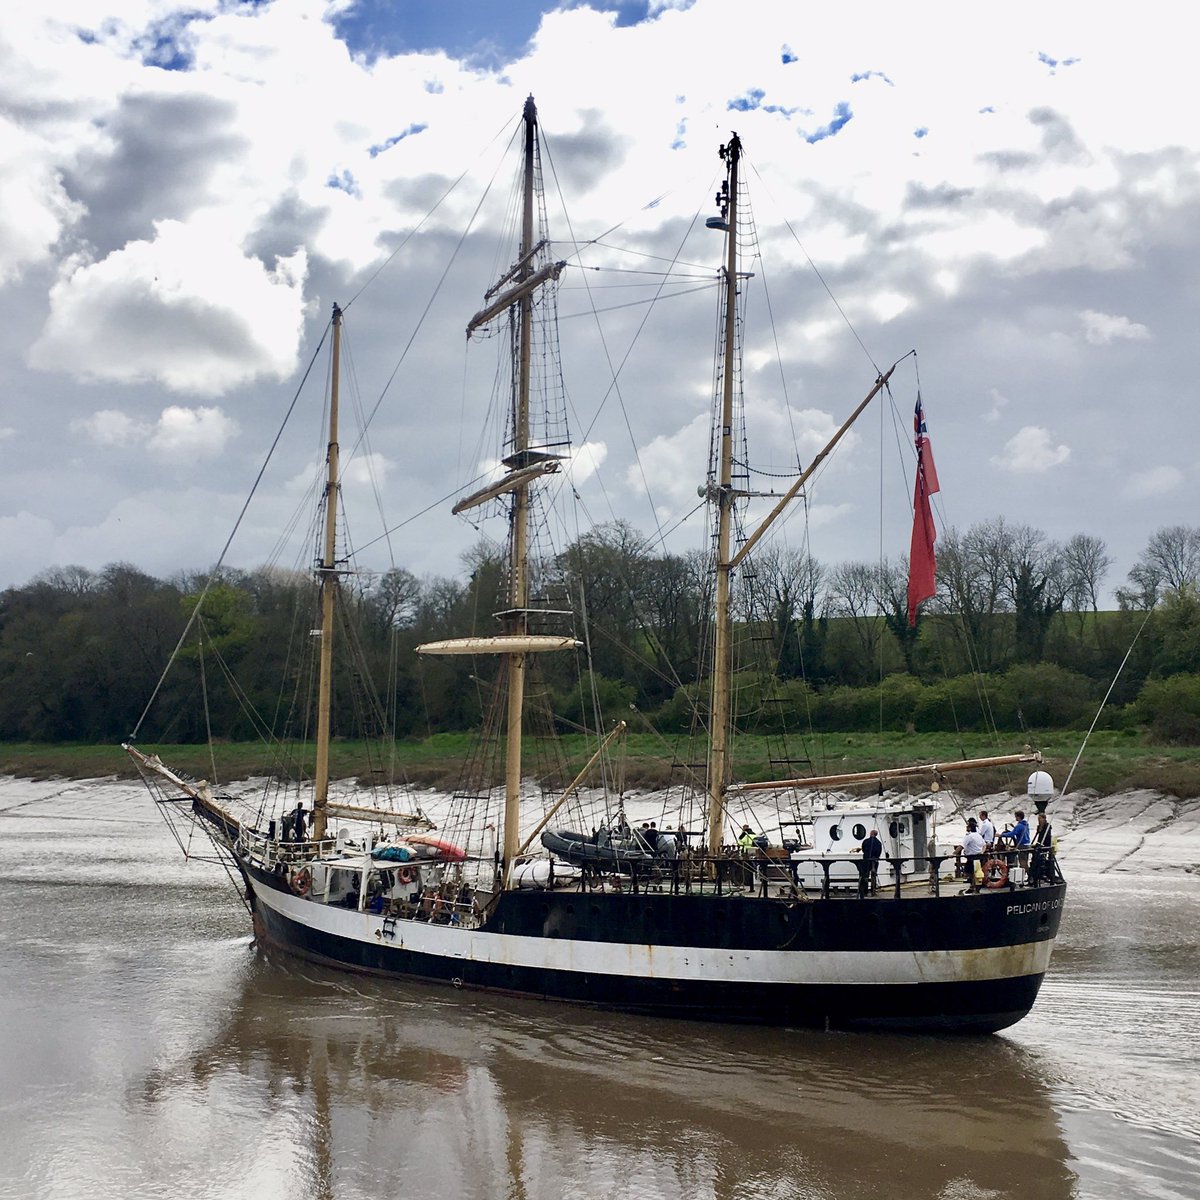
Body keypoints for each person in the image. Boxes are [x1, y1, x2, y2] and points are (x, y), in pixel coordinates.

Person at [961, 818, 985, 893]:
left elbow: (962, 845)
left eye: (967, 827)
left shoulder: (969, 836)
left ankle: (973, 885)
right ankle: (974, 886)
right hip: (979, 856)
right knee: (976, 872)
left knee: (969, 872)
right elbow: (984, 845)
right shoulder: (978, 835)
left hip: (972, 857)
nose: (966, 828)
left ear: (970, 828)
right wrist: (982, 852)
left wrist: (953, 854)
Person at [1029, 812, 1054, 884]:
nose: (1039, 820)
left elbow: (1046, 836)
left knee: (1042, 859)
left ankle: (1042, 874)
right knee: (1035, 859)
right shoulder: (1039, 826)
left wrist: (1042, 844)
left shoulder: (1047, 826)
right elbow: (1038, 835)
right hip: (1039, 843)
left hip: (1045, 844)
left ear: (1043, 819)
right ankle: (1034, 875)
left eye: (1040, 819)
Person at [860, 828, 883, 895]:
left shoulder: (865, 841)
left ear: (871, 834)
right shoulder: (878, 843)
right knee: (873, 875)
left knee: (865, 875)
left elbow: (863, 849)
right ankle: (873, 890)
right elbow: (879, 852)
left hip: (866, 860)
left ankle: (865, 891)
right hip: (874, 861)